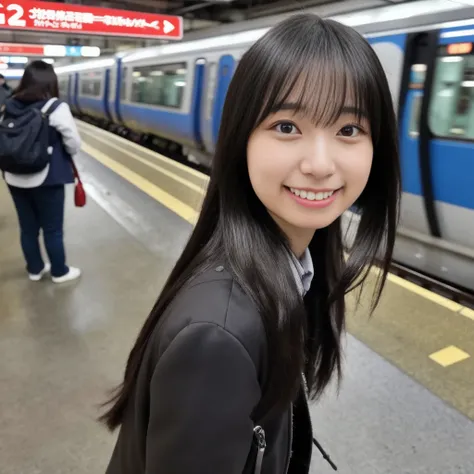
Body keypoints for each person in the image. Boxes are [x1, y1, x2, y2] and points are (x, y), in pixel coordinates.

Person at [101, 13, 400, 474]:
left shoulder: (293, 268)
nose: (320, 165)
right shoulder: (217, 339)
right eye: (286, 127)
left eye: (348, 130)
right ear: (241, 137)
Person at [3, 60, 81, 283]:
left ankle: (35, 269)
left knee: (28, 229)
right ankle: (59, 271)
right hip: (47, 177)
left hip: (14, 176)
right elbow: (74, 143)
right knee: (52, 229)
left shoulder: (9, 104)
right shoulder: (55, 107)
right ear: (51, 82)